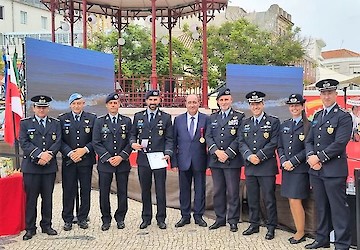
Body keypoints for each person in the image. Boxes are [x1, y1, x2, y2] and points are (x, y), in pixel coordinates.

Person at [305, 79, 352, 250]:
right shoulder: (317, 116)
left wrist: (318, 158)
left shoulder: (344, 116)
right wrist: (310, 156)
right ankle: (322, 238)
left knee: (338, 209)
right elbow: (309, 140)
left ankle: (342, 244)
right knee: (321, 207)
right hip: (316, 171)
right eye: (323, 93)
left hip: (334, 171)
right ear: (320, 95)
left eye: (329, 92)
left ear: (335, 94)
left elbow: (340, 143)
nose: (326, 96)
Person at [238, 91, 280, 240]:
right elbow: (241, 142)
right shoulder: (245, 122)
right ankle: (254, 224)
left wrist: (260, 156)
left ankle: (271, 226)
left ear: (263, 104)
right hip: (251, 166)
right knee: (252, 198)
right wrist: (249, 155)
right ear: (250, 106)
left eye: (258, 104)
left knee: (269, 198)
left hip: (266, 166)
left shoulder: (273, 121)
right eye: (252, 104)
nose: (255, 106)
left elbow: (274, 142)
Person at [19, 95, 61, 240]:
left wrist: (48, 155)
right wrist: (39, 155)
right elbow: (24, 142)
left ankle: (46, 225)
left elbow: (58, 142)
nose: (41, 110)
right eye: (39, 107)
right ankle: (30, 228)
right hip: (31, 168)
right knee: (31, 199)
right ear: (34, 108)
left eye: (44, 107)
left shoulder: (55, 123)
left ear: (48, 108)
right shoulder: (25, 123)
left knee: (47, 198)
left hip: (49, 167)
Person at [130, 90, 173, 230]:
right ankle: (146, 217)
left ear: (159, 100)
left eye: (155, 99)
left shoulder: (166, 117)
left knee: (160, 189)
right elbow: (132, 135)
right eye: (150, 100)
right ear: (146, 101)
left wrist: (168, 153)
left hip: (159, 158)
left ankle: (161, 218)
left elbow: (169, 139)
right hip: (143, 159)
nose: (153, 102)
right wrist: (132, 143)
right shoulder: (138, 116)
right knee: (145, 189)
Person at [205, 88, 244, 232]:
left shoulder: (239, 117)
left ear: (231, 100)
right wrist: (216, 151)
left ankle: (233, 220)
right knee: (218, 191)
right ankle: (220, 218)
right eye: (221, 100)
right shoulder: (212, 118)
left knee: (233, 192)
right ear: (217, 102)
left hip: (231, 160)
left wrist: (227, 153)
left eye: (226, 99)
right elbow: (208, 136)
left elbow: (240, 138)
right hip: (216, 160)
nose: (224, 102)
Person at [92, 92, 132, 231]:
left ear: (119, 104)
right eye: (111, 103)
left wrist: (121, 156)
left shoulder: (126, 121)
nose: (113, 105)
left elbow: (130, 141)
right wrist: (108, 157)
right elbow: (96, 142)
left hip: (122, 163)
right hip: (105, 164)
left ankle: (120, 218)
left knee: (122, 191)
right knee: (104, 192)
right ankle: (106, 219)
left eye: (116, 103)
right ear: (107, 105)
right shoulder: (99, 121)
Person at [58, 93, 96, 231]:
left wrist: (84, 150)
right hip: (69, 161)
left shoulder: (92, 118)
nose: (76, 106)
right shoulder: (62, 119)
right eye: (74, 103)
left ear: (83, 104)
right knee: (68, 190)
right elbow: (59, 141)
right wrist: (70, 153)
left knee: (85, 190)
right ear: (70, 105)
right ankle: (67, 219)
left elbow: (95, 140)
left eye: (79, 103)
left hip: (85, 160)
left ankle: (82, 217)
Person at [278, 94, 310, 244]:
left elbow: (308, 148)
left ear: (302, 106)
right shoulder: (284, 124)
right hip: (287, 168)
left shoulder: (308, 125)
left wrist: (293, 162)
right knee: (291, 200)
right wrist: (284, 161)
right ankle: (298, 228)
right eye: (291, 106)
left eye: (297, 105)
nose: (294, 108)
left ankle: (300, 231)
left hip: (300, 169)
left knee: (296, 200)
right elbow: (280, 146)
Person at [172, 94, 208, 228]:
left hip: (200, 160)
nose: (192, 105)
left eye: (195, 102)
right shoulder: (178, 120)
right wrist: (174, 162)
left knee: (200, 190)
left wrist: (209, 162)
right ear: (185, 104)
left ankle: (198, 216)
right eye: (189, 102)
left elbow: (208, 142)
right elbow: (174, 141)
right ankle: (185, 216)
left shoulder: (206, 119)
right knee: (184, 189)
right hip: (183, 160)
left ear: (199, 103)